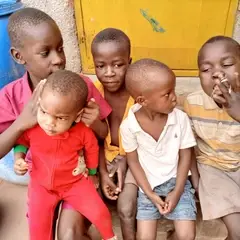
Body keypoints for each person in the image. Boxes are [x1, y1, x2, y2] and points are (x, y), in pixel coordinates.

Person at [0, 7, 111, 239]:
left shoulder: (80, 87)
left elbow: (104, 135)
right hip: (41, 181)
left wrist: (95, 124)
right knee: (42, 232)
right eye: (46, 52)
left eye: (60, 48)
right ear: (19, 56)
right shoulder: (11, 96)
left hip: (77, 178)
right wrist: (21, 123)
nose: (58, 59)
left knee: (69, 234)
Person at [13, 70, 117, 240]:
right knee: (38, 227)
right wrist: (19, 159)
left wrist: (92, 173)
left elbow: (92, 149)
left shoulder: (82, 131)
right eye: (44, 112)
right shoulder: (33, 127)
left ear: (76, 116)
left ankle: (110, 237)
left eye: (60, 118)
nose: (49, 123)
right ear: (39, 104)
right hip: (42, 187)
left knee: (99, 212)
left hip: (74, 184)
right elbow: (21, 142)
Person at [120, 59, 197, 240]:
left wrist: (177, 191)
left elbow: (186, 154)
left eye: (174, 90)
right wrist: (150, 194)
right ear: (142, 100)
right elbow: (133, 161)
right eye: (167, 94)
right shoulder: (129, 126)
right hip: (148, 187)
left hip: (178, 183)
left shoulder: (180, 118)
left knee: (187, 236)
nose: (174, 97)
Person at [184, 36, 240, 240]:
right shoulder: (193, 102)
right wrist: (197, 181)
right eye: (206, 70)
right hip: (214, 170)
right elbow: (188, 144)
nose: (217, 73)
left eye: (226, 64)